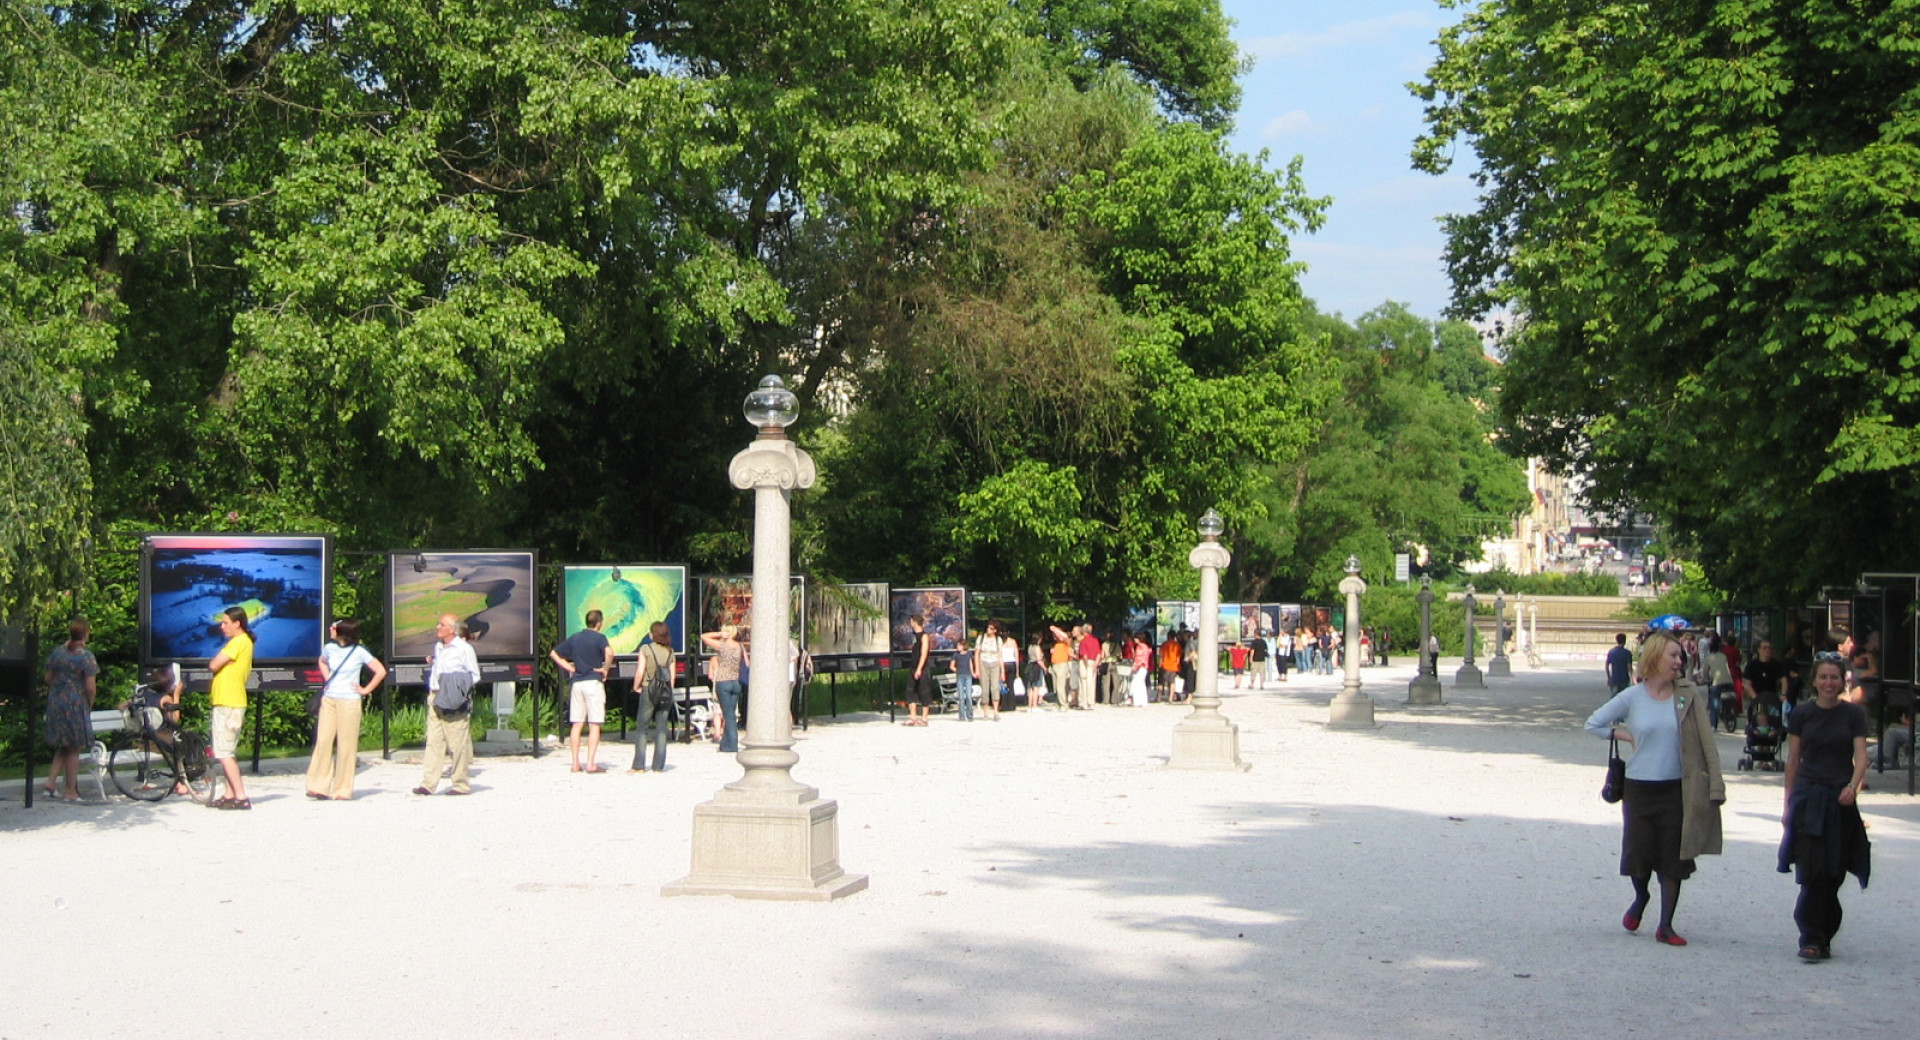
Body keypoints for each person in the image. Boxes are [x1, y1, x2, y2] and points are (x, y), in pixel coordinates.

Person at [1584, 630, 1724, 946]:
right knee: (1639, 854)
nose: (1680, 661)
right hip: (1638, 789)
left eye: (1680, 656)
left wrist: (1715, 786)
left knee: (1673, 857)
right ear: (1655, 657)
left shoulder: (1686, 696)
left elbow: (1706, 743)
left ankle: (1666, 925)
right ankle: (1640, 897)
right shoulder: (1632, 697)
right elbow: (1592, 723)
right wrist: (1621, 734)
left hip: (1677, 788)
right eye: (1673, 655)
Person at [1779, 655, 1870, 961]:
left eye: (1834, 677)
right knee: (1812, 869)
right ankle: (1810, 936)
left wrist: (1852, 787)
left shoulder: (1853, 715)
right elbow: (1793, 761)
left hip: (1839, 800)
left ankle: (1825, 934)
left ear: (1842, 680)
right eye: (1823, 677)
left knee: (1834, 872)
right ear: (1814, 681)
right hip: (1808, 797)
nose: (1828, 683)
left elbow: (1861, 757)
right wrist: (1788, 803)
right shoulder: (1802, 714)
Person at [305, 619, 386, 801]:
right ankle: (318, 785)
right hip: (330, 699)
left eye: (334, 627)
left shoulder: (359, 652)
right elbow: (322, 661)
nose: (330, 629)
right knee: (324, 740)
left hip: (349, 701)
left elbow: (380, 671)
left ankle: (343, 789)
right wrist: (328, 679)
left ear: (342, 631)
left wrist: (365, 690)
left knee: (346, 744)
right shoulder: (329, 648)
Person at [416, 614, 479, 796]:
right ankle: (428, 784)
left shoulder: (464, 648)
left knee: (456, 744)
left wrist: (457, 690)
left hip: (454, 700)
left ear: (452, 629)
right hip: (434, 697)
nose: (437, 627)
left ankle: (460, 784)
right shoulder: (438, 647)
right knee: (433, 741)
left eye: (441, 625)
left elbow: (474, 675)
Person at [40, 618, 99, 802]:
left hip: (56, 703)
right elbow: (90, 687)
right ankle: (70, 791)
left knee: (64, 745)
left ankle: (51, 782)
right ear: (86, 633)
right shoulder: (86, 656)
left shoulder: (57, 653)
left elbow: (48, 678)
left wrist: (61, 686)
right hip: (75, 705)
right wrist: (89, 703)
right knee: (74, 748)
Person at [551, 609, 614, 773]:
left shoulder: (575, 638)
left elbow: (554, 653)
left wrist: (568, 667)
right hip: (593, 681)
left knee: (577, 723)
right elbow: (609, 652)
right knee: (594, 724)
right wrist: (605, 668)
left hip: (577, 682)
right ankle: (591, 763)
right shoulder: (600, 638)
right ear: (599, 624)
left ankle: (575, 763)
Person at [209, 606, 256, 810]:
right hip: (228, 701)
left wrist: (221, 663)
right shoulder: (240, 642)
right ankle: (229, 794)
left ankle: (241, 796)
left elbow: (213, 664)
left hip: (229, 703)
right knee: (227, 750)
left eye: (226, 622)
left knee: (224, 753)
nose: (222, 627)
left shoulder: (239, 642)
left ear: (238, 623)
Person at [630, 622, 675, 773]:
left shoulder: (646, 649)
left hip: (649, 689)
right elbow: (672, 677)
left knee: (642, 727)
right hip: (665, 692)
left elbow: (640, 671)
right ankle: (658, 766)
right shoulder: (670, 652)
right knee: (662, 729)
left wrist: (636, 686)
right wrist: (669, 691)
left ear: (653, 634)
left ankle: (639, 766)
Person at [700, 624, 746, 749]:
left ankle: (733, 743)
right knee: (731, 713)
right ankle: (725, 744)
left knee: (727, 714)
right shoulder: (739, 646)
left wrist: (719, 635)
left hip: (723, 681)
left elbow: (703, 637)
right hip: (735, 681)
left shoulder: (722, 646)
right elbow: (745, 662)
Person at [902, 614, 933, 726]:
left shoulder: (924, 636)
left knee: (924, 691)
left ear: (915, 622)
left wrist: (919, 669)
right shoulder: (914, 636)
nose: (910, 623)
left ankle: (924, 718)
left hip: (922, 668)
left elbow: (924, 653)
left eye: (911, 621)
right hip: (913, 666)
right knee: (910, 691)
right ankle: (913, 717)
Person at [976, 622, 1002, 721]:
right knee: (985, 688)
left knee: (995, 687)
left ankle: (996, 712)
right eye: (988, 628)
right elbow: (977, 653)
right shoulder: (981, 638)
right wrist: (977, 668)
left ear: (995, 630)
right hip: (983, 662)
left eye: (991, 628)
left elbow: (1000, 655)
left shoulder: (998, 639)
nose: (988, 630)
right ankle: (985, 713)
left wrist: (1002, 670)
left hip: (995, 663)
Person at [951, 638, 976, 721]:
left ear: (963, 646)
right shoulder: (955, 655)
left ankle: (970, 715)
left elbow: (970, 664)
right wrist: (957, 670)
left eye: (959, 645)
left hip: (968, 676)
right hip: (960, 676)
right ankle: (961, 715)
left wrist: (973, 673)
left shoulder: (969, 654)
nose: (957, 647)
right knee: (961, 697)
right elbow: (951, 666)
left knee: (969, 696)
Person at [1077, 624, 1101, 708]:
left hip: (1085, 663)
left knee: (1083, 682)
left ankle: (1084, 703)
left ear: (1083, 631)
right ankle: (1091, 702)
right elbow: (1099, 654)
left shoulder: (1083, 641)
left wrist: (1086, 664)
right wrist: (1095, 664)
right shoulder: (1096, 640)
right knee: (1092, 682)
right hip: (1094, 662)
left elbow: (1084, 655)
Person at [1127, 633, 1153, 706]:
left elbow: (1138, 659)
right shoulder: (1146, 647)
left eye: (1135, 638)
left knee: (1136, 683)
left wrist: (1134, 668)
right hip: (1144, 667)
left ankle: (1137, 701)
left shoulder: (1139, 647)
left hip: (1139, 667)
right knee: (1142, 684)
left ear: (1139, 639)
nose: (1134, 640)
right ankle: (1143, 701)